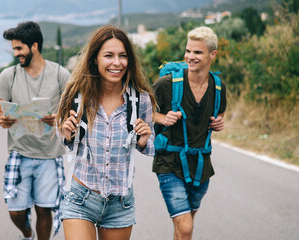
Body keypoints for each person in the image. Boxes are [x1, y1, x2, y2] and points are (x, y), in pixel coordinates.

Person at [55, 25, 156, 240]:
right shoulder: (76, 96)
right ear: (95, 59)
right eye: (108, 55)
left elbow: (151, 144)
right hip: (81, 197)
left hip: (120, 203)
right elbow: (62, 137)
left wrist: (144, 141)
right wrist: (67, 134)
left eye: (123, 56)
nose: (116, 62)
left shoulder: (140, 101)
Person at [0, 21, 71, 240]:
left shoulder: (60, 74)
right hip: (20, 153)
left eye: (19, 48)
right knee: (16, 211)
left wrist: (58, 118)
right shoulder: (8, 76)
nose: (15, 52)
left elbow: (74, 109)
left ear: (34, 46)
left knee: (44, 209)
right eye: (14, 48)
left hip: (49, 154)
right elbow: (1, 114)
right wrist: (3, 120)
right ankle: (27, 233)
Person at [152, 26, 227, 240]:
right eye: (188, 51)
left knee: (185, 225)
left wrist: (219, 122)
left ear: (213, 54)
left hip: (201, 166)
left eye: (197, 52)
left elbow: (220, 112)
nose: (190, 57)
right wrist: (161, 118)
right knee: (185, 227)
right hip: (169, 163)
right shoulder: (166, 85)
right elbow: (142, 112)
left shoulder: (218, 87)